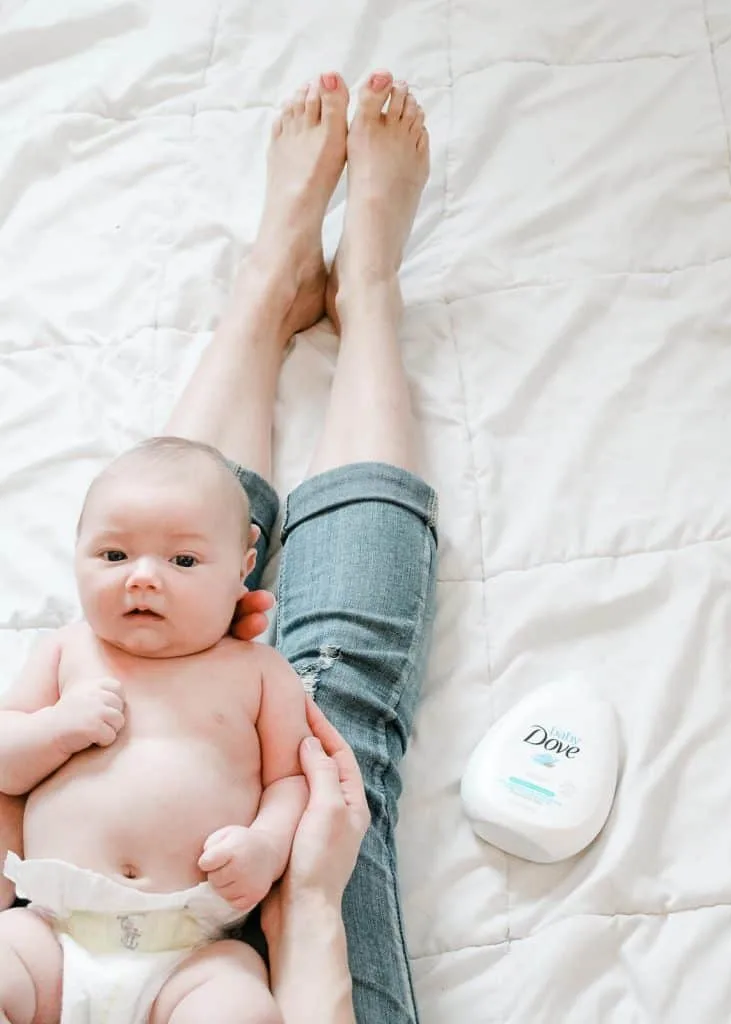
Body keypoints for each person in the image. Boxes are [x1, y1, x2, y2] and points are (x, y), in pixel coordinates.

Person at [0, 66, 436, 1024]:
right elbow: (296, 788)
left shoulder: (87, 652)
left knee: (174, 505)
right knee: (341, 736)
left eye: (167, 564)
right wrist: (287, 866)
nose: (137, 581)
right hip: (153, 943)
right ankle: (366, 295)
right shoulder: (79, 658)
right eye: (109, 559)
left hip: (98, 938)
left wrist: (264, 834)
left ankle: (269, 285)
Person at [0, 434, 316, 1024]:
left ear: (241, 572)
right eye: (114, 556)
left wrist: (265, 847)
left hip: (192, 951)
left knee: (239, 1006)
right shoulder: (68, 651)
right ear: (76, 555)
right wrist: (56, 729)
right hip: (50, 932)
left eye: (184, 561)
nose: (141, 579)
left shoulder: (260, 672)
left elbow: (291, 782)